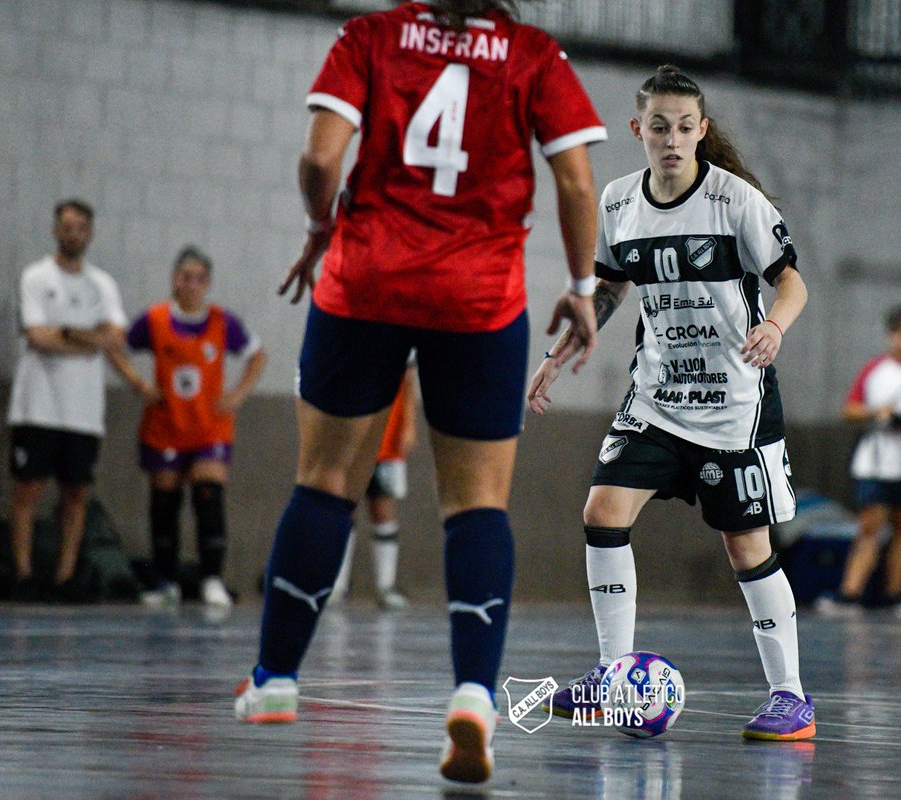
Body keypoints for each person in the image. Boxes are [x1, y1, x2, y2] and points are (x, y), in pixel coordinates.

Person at [231, 0, 605, 786]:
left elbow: (320, 161)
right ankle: (472, 697)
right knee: (477, 504)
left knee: (327, 481)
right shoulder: (534, 54)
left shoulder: (369, 36)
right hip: (478, 298)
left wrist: (317, 226)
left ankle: (275, 681)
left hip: (365, 281)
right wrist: (579, 284)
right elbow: (574, 180)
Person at [529, 65, 814, 741]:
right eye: (659, 126)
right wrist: (562, 350)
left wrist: (774, 325)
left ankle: (791, 698)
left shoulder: (735, 201)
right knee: (602, 510)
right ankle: (610, 675)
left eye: (686, 127)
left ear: (702, 131)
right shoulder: (619, 202)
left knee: (746, 548)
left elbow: (792, 283)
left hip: (733, 404)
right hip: (657, 397)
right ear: (638, 130)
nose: (672, 138)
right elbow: (607, 287)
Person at [108, 247, 267, 610]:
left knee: (208, 494)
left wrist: (237, 395)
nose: (191, 284)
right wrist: (139, 384)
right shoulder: (156, 319)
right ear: (174, 280)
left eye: (198, 278)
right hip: (166, 424)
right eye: (185, 277)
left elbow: (258, 355)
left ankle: (212, 578)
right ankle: (166, 581)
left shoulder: (222, 322)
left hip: (209, 426)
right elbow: (117, 347)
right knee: (164, 502)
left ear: (207, 283)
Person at [7, 199, 128, 602]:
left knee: (76, 492)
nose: (74, 233)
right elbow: (37, 335)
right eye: (67, 226)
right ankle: (23, 573)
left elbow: (116, 337)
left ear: (89, 233)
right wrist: (88, 337)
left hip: (83, 411)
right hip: (38, 404)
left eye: (81, 227)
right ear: (56, 230)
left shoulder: (102, 285)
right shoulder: (36, 277)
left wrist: (69, 335)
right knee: (28, 488)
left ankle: (65, 575)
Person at [815, 306, 901, 619]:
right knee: (870, 525)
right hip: (878, 459)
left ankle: (894, 594)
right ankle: (851, 592)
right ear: (890, 335)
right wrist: (879, 413)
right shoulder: (875, 370)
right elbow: (851, 409)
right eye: (898, 334)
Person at [331, 363, 418, 609]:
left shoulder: (404, 337)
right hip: (351, 438)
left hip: (387, 442)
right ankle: (336, 584)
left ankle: (385, 586)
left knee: (383, 509)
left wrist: (409, 425)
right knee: (344, 507)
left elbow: (409, 380)